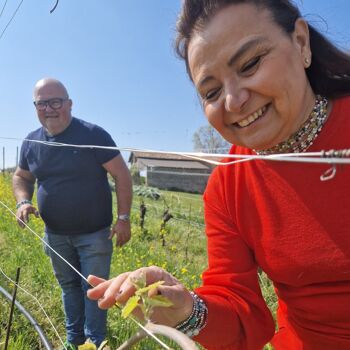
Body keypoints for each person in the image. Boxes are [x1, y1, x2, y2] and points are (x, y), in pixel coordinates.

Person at [87, 1, 350, 349]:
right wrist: (185, 310)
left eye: (250, 63)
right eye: (211, 92)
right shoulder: (228, 184)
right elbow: (245, 318)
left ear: (301, 43)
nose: (234, 101)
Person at [13, 78, 133, 349]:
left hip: (94, 235)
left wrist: (123, 218)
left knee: (93, 289)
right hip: (55, 234)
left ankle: (94, 342)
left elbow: (121, 175)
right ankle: (73, 339)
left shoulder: (93, 135)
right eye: (41, 103)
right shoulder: (31, 142)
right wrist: (23, 201)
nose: (49, 108)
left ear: (69, 104)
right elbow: (21, 176)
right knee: (69, 288)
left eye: (55, 101)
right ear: (35, 107)